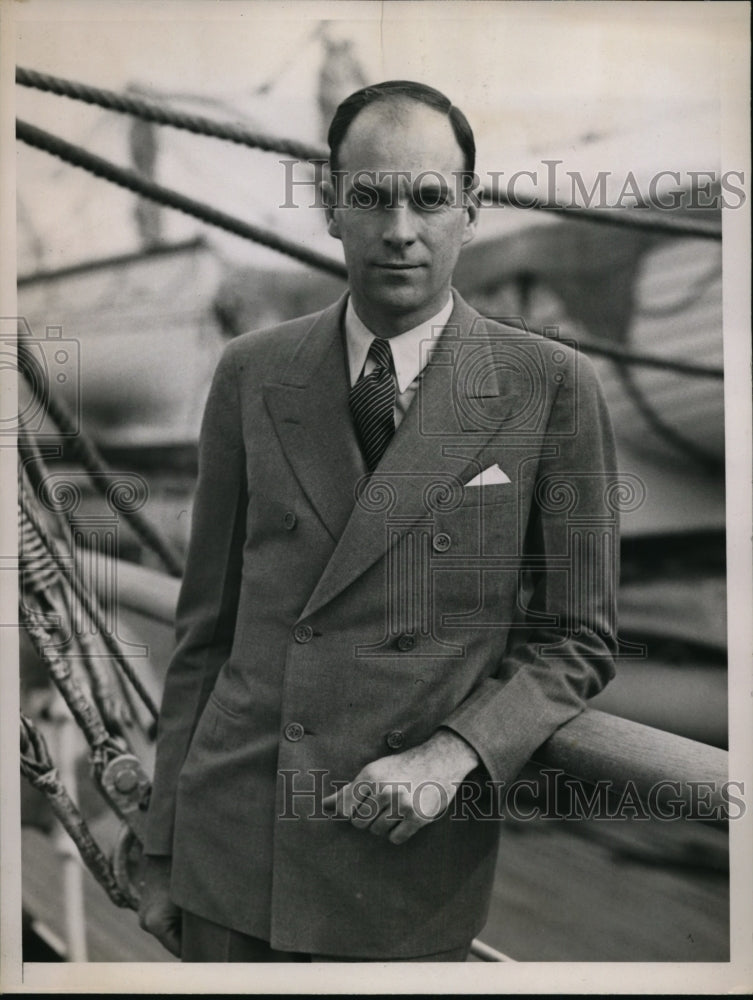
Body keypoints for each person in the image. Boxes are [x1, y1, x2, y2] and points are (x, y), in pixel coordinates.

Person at [139, 80, 619, 962]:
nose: (401, 229)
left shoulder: (549, 385)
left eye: (430, 198)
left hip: (395, 863)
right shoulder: (253, 372)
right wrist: (162, 841)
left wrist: (455, 753)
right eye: (370, 197)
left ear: (469, 212)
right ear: (331, 209)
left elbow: (576, 639)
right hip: (231, 850)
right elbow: (205, 631)